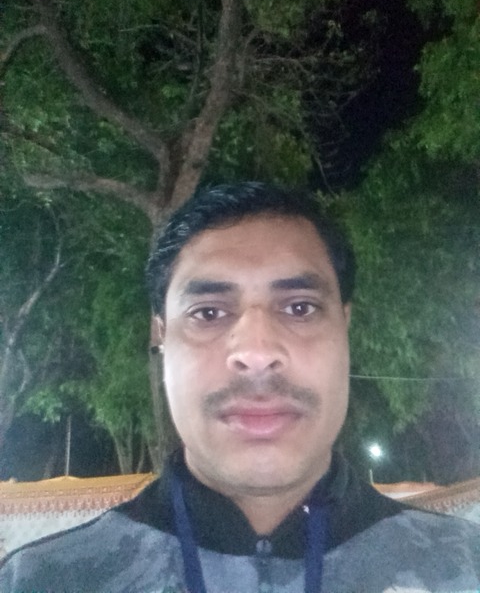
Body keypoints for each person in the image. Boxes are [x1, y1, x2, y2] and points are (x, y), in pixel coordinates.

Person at [0, 182, 479, 592]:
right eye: (208, 313)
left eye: (300, 308)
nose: (256, 350)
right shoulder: (44, 579)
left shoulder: (463, 569)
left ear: (344, 326)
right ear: (160, 336)